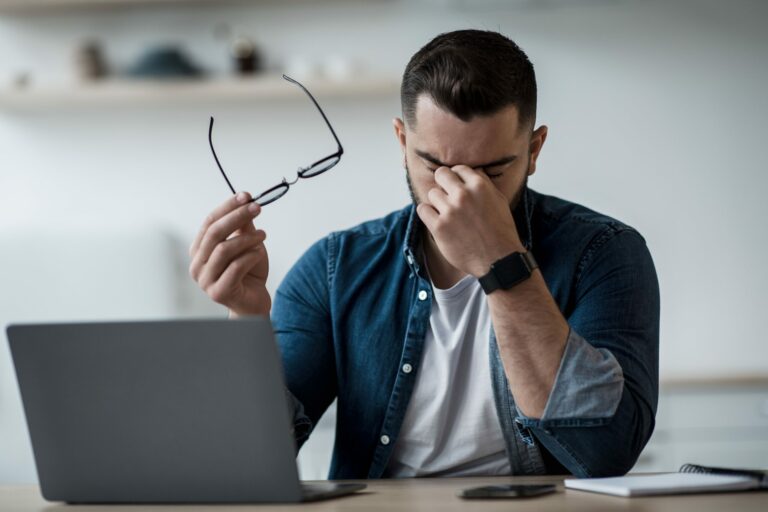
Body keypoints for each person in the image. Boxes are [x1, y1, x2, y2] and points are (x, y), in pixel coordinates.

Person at [188, 29, 660, 479]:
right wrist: (245, 318)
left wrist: (502, 263)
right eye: (434, 165)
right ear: (402, 143)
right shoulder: (336, 269)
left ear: (533, 150)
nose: (459, 191)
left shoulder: (604, 254)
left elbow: (605, 452)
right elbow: (245, 458)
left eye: (491, 172)